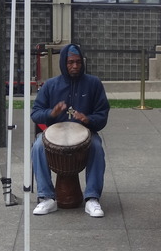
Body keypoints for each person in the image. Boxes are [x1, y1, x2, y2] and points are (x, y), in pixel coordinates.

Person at [31, 43, 109, 217]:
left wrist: (88, 119)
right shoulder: (51, 85)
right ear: (63, 63)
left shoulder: (93, 84)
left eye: (78, 62)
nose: (75, 66)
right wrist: (51, 113)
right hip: (54, 134)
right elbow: (35, 113)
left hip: (86, 133)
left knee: (96, 146)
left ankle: (92, 198)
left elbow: (102, 114)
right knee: (37, 146)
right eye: (70, 62)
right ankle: (46, 197)